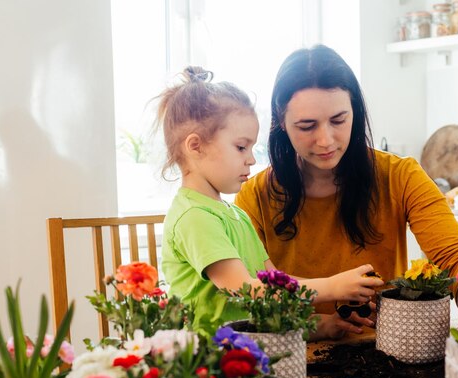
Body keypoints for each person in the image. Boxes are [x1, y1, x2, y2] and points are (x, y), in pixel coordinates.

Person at [234, 45, 458, 340]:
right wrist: (320, 321)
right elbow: (248, 295)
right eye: (307, 126)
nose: (326, 140)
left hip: (388, 357)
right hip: (289, 361)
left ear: (355, 110)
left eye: (339, 120)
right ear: (281, 121)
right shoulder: (254, 197)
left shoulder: (400, 176)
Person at [156, 66, 384, 335]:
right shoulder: (194, 217)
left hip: (251, 352)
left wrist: (323, 325)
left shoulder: (235, 215)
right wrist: (330, 287)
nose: (251, 159)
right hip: (212, 362)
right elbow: (249, 292)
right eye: (241, 147)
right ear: (195, 146)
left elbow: (276, 287)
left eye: (252, 148)